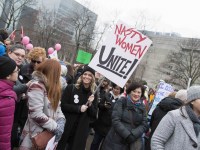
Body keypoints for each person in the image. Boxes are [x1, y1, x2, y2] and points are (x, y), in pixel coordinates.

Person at [19, 59, 66, 149]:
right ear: (53, 73)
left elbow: (58, 108)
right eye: (58, 72)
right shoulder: (37, 86)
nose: (60, 75)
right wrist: (56, 127)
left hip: (49, 132)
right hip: (35, 133)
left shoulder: (53, 87)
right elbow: (36, 114)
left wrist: (61, 120)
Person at [57, 65, 98, 150]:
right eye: (85, 74)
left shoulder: (94, 94)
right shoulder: (71, 88)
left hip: (80, 130)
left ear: (93, 78)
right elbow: (63, 106)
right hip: (66, 126)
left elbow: (93, 114)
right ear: (82, 75)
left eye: (90, 75)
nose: (87, 76)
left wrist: (90, 104)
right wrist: (78, 108)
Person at [102, 82, 149, 150]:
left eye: (139, 92)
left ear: (141, 94)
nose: (136, 94)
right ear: (129, 92)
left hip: (131, 143)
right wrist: (127, 135)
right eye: (134, 91)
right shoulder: (122, 101)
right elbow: (116, 120)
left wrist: (133, 135)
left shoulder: (143, 107)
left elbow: (144, 124)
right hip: (115, 141)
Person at [91, 82, 123, 150]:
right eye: (115, 88)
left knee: (104, 146)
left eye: (118, 89)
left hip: (110, 127)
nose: (116, 90)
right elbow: (99, 105)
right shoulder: (106, 95)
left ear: (120, 90)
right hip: (101, 124)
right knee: (95, 142)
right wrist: (104, 106)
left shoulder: (121, 100)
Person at [0, 56, 18, 150]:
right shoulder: (8, 99)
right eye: (16, 70)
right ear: (8, 75)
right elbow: (4, 134)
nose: (18, 71)